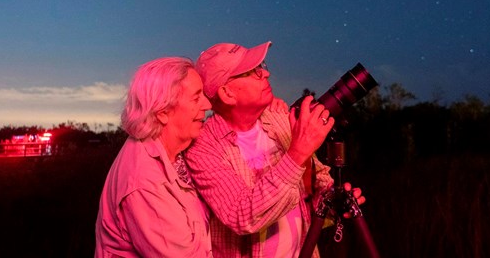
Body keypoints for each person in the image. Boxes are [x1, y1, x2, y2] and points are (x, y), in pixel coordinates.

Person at [185, 41, 364, 258]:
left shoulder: (281, 119)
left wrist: (334, 204)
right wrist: (297, 152)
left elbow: (313, 186)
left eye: (262, 66)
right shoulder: (203, 147)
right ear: (227, 93)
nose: (265, 74)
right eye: (253, 71)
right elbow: (241, 215)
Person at [95, 57, 213, 257]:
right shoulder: (146, 184)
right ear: (163, 112)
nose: (207, 104)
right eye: (196, 98)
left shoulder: (169, 150)